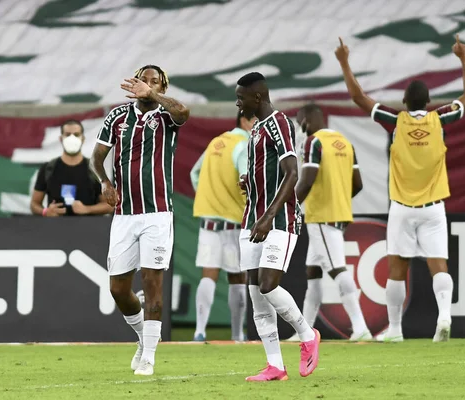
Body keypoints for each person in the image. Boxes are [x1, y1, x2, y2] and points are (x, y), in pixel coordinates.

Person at [334, 35, 465, 342]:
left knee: (396, 268)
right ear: (427, 102)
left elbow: (359, 98)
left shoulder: (395, 121)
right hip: (434, 208)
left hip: (401, 207)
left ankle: (396, 330)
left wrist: (345, 62)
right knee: (439, 265)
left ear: (405, 102)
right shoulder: (441, 120)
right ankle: (444, 318)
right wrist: (463, 59)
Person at [90, 65, 190, 376]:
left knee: (152, 281)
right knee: (118, 289)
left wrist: (156, 96)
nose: (146, 85)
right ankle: (142, 338)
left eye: (154, 82)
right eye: (143, 80)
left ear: (162, 87)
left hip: (158, 214)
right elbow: (96, 156)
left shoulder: (166, 117)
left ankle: (148, 356)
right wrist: (105, 182)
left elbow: (184, 112)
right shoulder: (118, 117)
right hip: (125, 214)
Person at [235, 72, 320, 382]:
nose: (237, 102)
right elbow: (269, 174)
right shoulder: (255, 130)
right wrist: (250, 182)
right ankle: (275, 366)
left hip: (277, 220)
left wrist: (269, 216)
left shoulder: (279, 123)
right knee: (257, 296)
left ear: (257, 97)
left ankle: (307, 334)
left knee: (269, 284)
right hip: (251, 220)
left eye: (241, 97)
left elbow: (292, 172)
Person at [288, 103, 372, 342]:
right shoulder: (345, 143)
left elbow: (307, 181)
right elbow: (358, 184)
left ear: (307, 120)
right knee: (313, 272)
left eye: (300, 121)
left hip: (321, 215)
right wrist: (340, 203)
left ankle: (360, 326)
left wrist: (288, 205)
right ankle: (305, 332)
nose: (300, 127)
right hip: (338, 213)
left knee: (337, 269)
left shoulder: (313, 142)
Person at [190, 111, 256, 342]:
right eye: (256, 120)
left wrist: (209, 197)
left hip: (208, 220)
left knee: (208, 274)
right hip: (233, 222)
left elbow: (194, 173)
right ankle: (237, 334)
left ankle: (199, 331)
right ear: (245, 120)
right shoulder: (244, 145)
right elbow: (247, 178)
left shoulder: (216, 142)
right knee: (237, 277)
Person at [31, 120, 113, 217]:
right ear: (61, 139)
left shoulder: (95, 169)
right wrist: (45, 212)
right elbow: (34, 204)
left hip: (89, 229)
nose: (72, 138)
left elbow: (109, 205)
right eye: (68, 134)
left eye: (76, 134)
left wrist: (87, 209)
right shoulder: (48, 168)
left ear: (82, 139)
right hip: (54, 229)